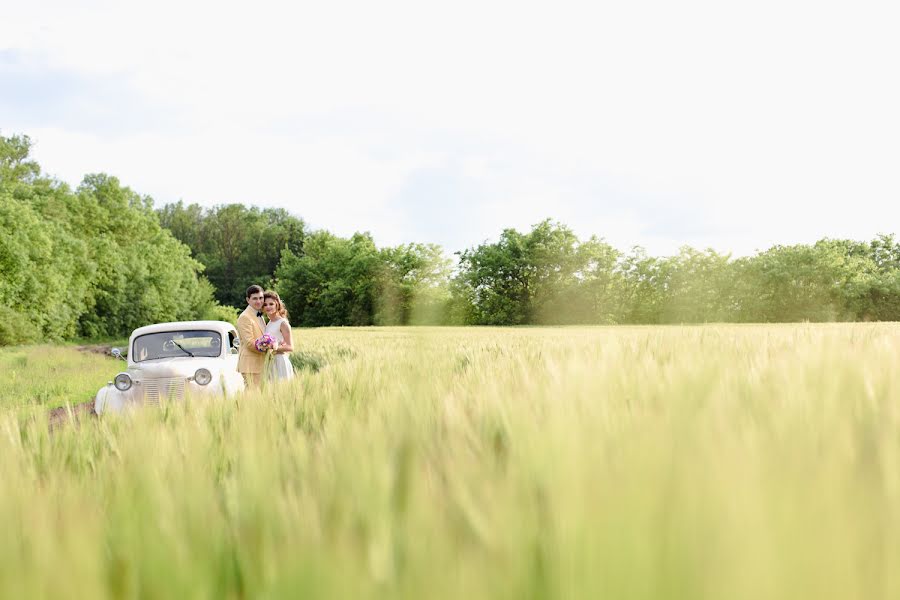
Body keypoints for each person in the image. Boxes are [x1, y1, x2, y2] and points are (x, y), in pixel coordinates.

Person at [237, 284, 267, 387]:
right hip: (251, 364)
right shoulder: (245, 317)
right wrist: (269, 348)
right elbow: (249, 343)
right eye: (255, 298)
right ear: (248, 300)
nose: (258, 301)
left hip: (260, 363)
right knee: (252, 395)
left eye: (261, 298)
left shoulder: (259, 315)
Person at [262, 290, 295, 381]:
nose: (268, 307)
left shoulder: (282, 323)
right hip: (270, 362)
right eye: (265, 304)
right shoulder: (269, 323)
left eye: (271, 304)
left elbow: (290, 347)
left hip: (280, 362)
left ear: (277, 304)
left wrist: (272, 347)